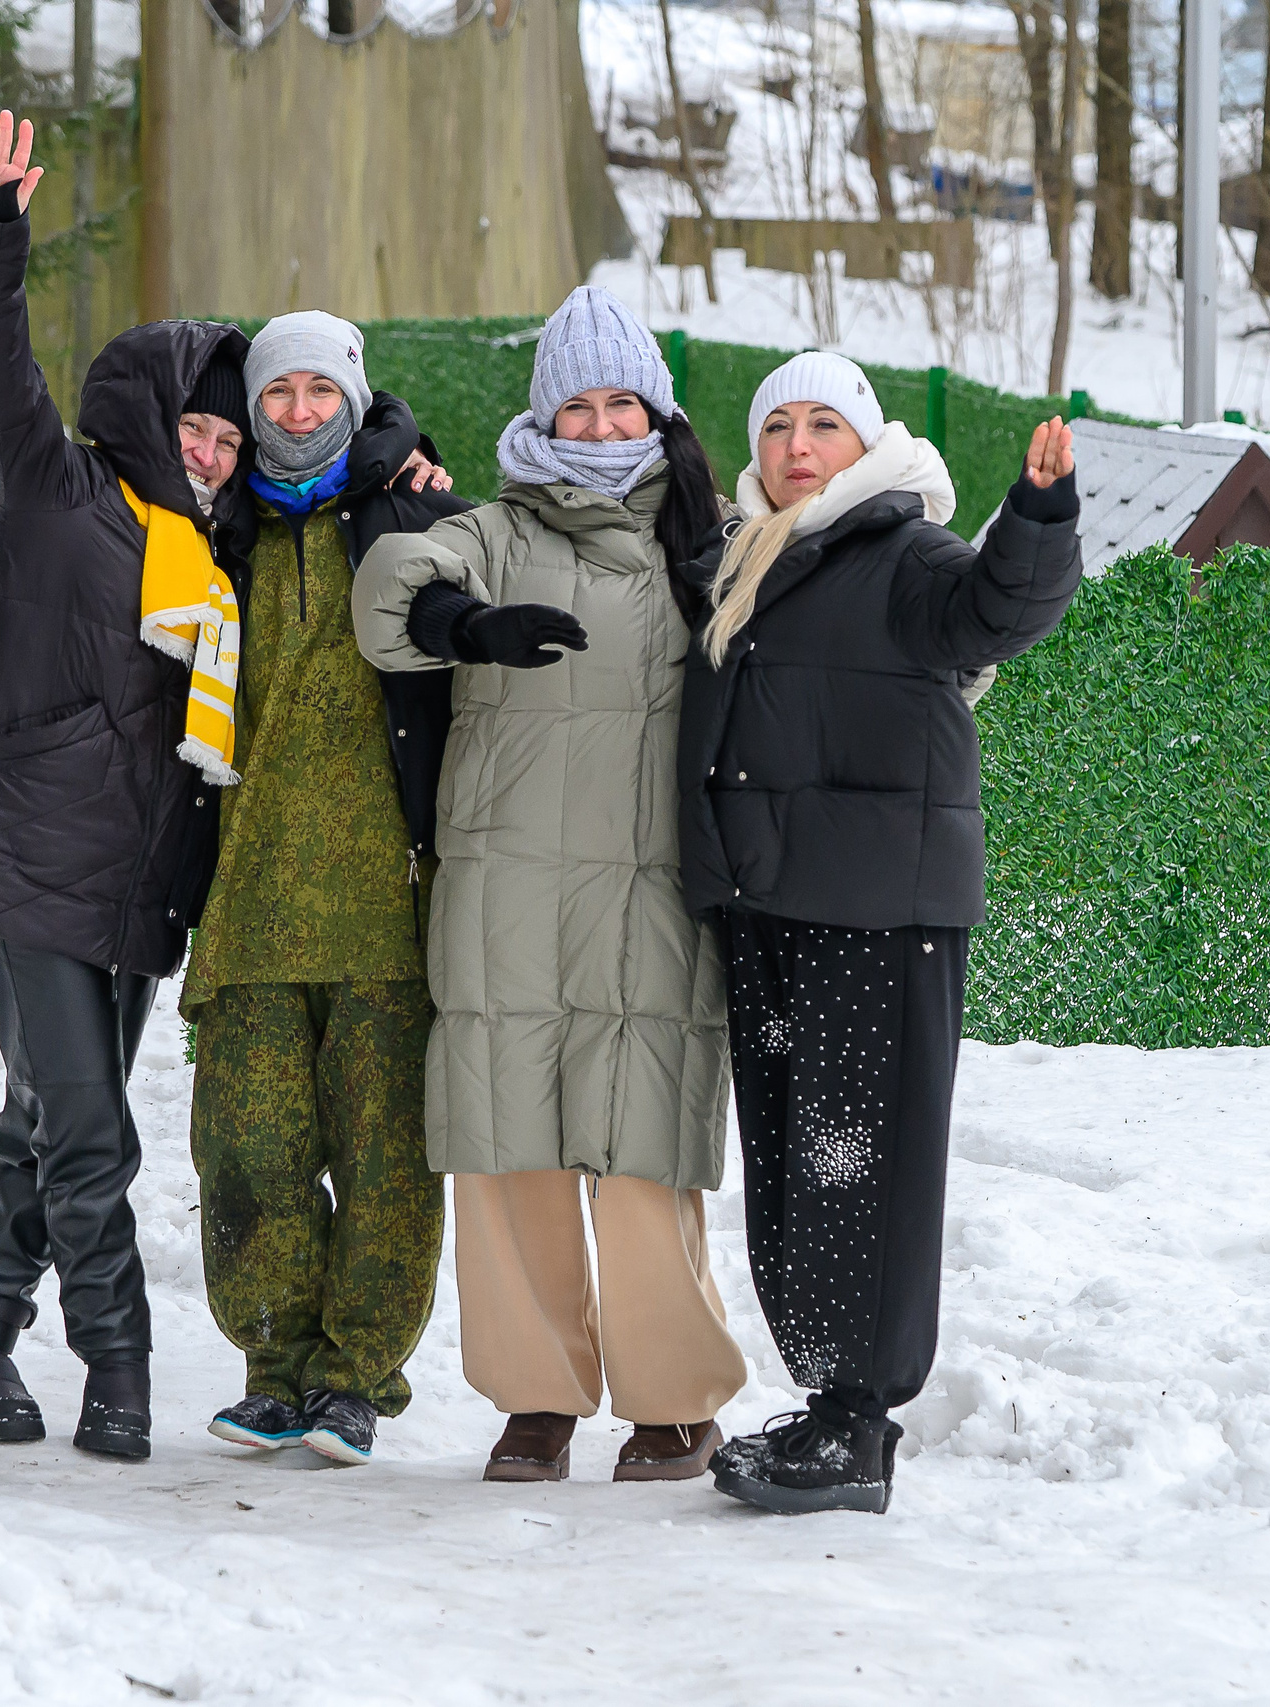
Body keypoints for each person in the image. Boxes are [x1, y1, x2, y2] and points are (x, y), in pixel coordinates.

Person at [678, 351, 1083, 1515]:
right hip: (770, 910)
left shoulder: (909, 555)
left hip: (878, 913)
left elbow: (995, 610)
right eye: (776, 428)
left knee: (863, 1172)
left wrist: (1041, 516)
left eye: (823, 426)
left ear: (866, 444)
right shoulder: (742, 561)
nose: (797, 448)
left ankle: (860, 1427)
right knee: (793, 1176)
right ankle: (821, 1402)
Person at [352, 287, 740, 1484]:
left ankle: (675, 1404)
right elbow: (389, 596)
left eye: (621, 400)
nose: (601, 423)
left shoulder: (720, 540)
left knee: (639, 1158)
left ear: (657, 412)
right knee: (509, 1152)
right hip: (506, 890)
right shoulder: (489, 529)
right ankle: (536, 1402)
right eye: (576, 402)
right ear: (544, 416)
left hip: (654, 891)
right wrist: (465, 627)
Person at [0, 109, 256, 1462]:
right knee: (92, 1132)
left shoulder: (219, 571)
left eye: (230, 440)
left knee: (40, 1125)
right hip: (22, 865)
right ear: (143, 417)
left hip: (128, 891)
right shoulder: (62, 491)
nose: (219, 452)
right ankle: (117, 1369)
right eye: (200, 428)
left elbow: (351, 453)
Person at [186, 311, 470, 1468]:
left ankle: (355, 1380)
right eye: (276, 395)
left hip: (384, 913)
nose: (297, 413)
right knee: (247, 1154)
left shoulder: (420, 518)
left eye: (319, 391)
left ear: (354, 398)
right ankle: (272, 1369)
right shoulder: (211, 536)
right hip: (246, 905)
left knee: (387, 1159)